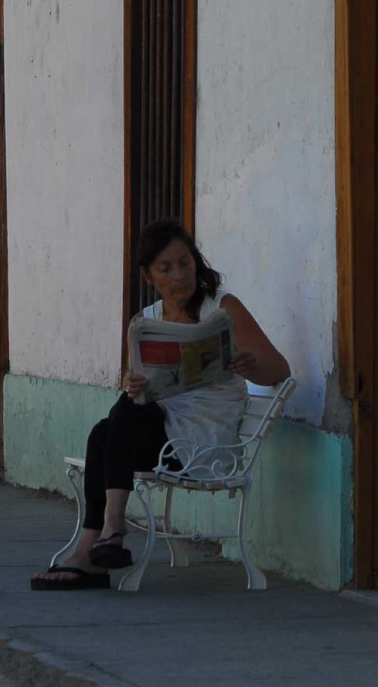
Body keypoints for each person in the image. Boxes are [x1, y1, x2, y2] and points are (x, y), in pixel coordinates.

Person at [31, 220, 291, 591]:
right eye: (165, 268)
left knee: (115, 423)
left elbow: (279, 369)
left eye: (185, 263)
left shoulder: (222, 309)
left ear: (195, 261)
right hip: (158, 439)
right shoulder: (146, 322)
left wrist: (251, 365)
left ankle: (101, 542)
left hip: (201, 446)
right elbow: (141, 388)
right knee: (108, 426)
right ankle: (102, 542)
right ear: (148, 275)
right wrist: (131, 381)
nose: (180, 275)